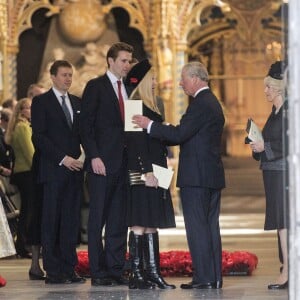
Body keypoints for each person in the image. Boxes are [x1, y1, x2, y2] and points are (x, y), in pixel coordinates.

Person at [133, 61, 225, 289]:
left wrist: (150, 125)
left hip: (197, 177)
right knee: (210, 227)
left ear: (195, 79)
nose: (180, 83)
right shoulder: (211, 102)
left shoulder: (201, 104)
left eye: (183, 79)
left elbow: (180, 134)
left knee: (198, 228)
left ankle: (204, 278)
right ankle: (213, 277)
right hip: (210, 175)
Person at [80, 42, 133, 286]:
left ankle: (115, 268)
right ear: (110, 61)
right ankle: (98, 271)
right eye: (123, 60)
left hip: (124, 164)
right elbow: (85, 126)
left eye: (129, 61)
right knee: (97, 219)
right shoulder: (95, 87)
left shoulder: (130, 90)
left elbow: (132, 126)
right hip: (102, 163)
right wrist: (94, 156)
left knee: (118, 219)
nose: (127, 65)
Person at [31, 60, 85, 284]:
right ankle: (53, 270)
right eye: (64, 75)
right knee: (52, 220)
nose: (68, 79)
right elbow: (39, 137)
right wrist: (64, 159)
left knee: (71, 221)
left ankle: (69, 268)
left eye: (70, 75)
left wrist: (82, 157)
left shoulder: (77, 102)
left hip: (75, 172)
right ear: (52, 77)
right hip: (53, 170)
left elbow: (82, 135)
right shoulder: (41, 102)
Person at [124, 59, 176, 290]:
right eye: (153, 78)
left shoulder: (153, 105)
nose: (155, 82)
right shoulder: (134, 105)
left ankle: (152, 272)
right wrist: (147, 172)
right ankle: (136, 272)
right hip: (143, 170)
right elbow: (135, 144)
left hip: (157, 168)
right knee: (140, 222)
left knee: (152, 221)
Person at [248, 61, 288, 290]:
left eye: (268, 88)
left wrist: (265, 147)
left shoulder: (289, 112)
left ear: (278, 88)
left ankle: (288, 271)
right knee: (281, 223)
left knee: (284, 222)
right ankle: (286, 268)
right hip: (273, 174)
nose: (265, 91)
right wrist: (257, 146)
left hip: (283, 174)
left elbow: (290, 142)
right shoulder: (275, 113)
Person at [4, 98, 45, 280]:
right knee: (29, 211)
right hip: (27, 172)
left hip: (25, 172)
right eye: (28, 108)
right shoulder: (22, 127)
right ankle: (24, 243)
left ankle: (24, 243)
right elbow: (30, 153)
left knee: (28, 210)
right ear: (21, 111)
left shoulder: (24, 126)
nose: (31, 111)